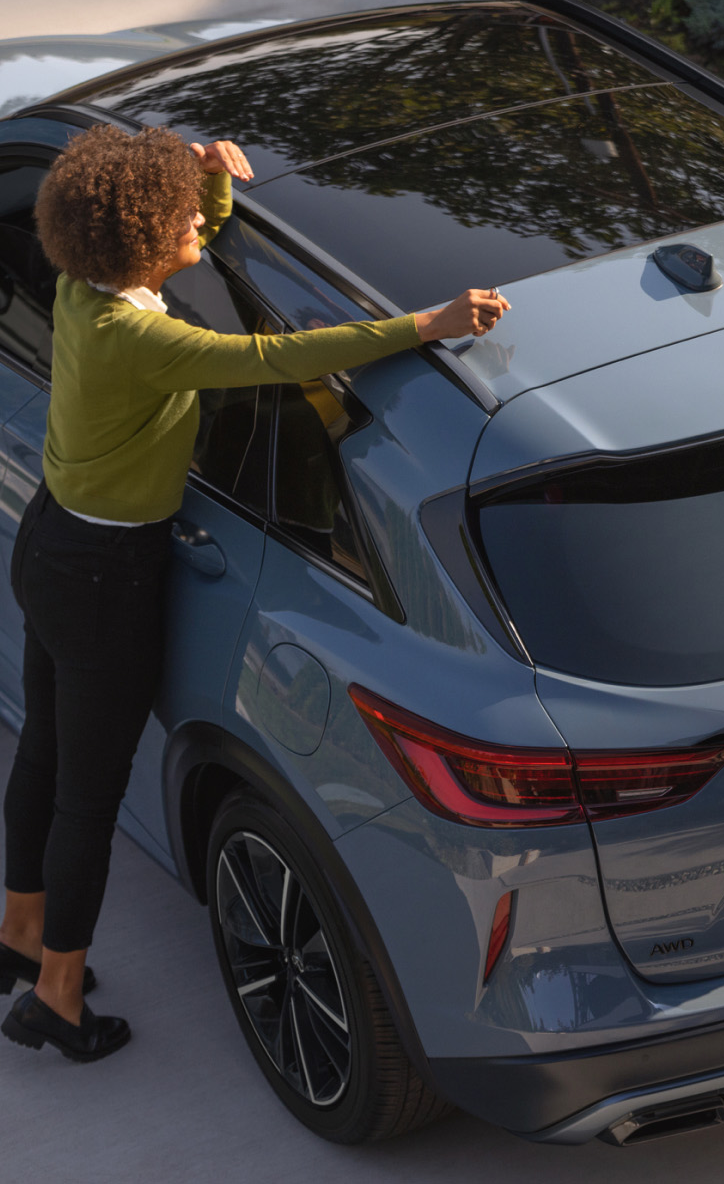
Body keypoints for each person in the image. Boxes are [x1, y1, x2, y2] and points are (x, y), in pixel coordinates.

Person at [0, 124, 508, 1062]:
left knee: (45, 745)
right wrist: (427, 326)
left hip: (54, 542)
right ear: (142, 236)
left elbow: (201, 254)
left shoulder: (83, 289)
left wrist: (208, 189)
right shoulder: (146, 339)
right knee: (88, 792)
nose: (195, 217)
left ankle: (19, 934)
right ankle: (57, 997)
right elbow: (285, 358)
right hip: (108, 575)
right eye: (177, 213)